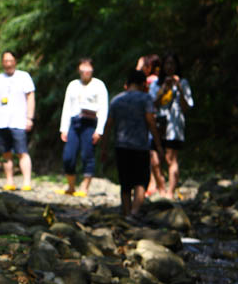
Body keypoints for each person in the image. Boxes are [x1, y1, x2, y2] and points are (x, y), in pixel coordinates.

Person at [99, 69, 167, 219]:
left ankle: (126, 212)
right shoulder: (145, 99)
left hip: (121, 146)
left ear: (127, 84)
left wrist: (103, 148)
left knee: (125, 181)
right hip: (140, 146)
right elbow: (151, 122)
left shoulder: (116, 100)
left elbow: (108, 125)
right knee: (141, 181)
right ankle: (134, 213)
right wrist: (159, 146)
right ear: (144, 84)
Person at [0, 50, 35, 191]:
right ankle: (10, 181)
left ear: (15, 61)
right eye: (5, 61)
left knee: (22, 151)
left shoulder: (24, 77)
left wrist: (30, 118)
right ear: (2, 63)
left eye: (10, 60)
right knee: (5, 152)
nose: (8, 64)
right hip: (1, 121)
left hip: (19, 121)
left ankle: (27, 182)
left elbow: (30, 97)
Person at [58, 58, 108, 196]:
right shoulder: (73, 85)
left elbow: (103, 108)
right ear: (79, 70)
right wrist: (64, 128)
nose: (86, 71)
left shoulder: (99, 85)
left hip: (90, 122)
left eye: (88, 68)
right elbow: (67, 106)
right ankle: (71, 186)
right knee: (69, 155)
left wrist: (99, 130)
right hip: (74, 123)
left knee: (88, 154)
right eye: (83, 68)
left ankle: (85, 187)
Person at [147, 53, 193, 199]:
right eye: (167, 64)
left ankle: (170, 192)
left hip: (175, 126)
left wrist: (178, 87)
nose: (169, 67)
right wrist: (163, 90)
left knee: (171, 159)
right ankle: (161, 188)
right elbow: (152, 105)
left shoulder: (183, 83)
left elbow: (187, 107)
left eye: (172, 64)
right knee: (154, 158)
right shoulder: (156, 84)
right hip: (158, 125)